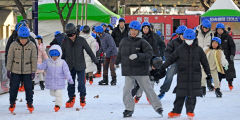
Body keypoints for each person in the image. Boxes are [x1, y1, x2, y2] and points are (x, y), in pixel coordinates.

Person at [158, 29, 211, 119]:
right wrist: (163, 67)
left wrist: (208, 73)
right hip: (182, 75)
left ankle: (190, 112)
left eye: (190, 39)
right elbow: (171, 59)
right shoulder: (180, 49)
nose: (188, 41)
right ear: (184, 39)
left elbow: (205, 62)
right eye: (187, 39)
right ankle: (176, 112)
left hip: (195, 76)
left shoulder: (198, 50)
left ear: (194, 39)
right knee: (180, 94)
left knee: (192, 95)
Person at [115, 20, 163, 118]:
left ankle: (158, 107)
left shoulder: (142, 42)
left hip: (141, 71)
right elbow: (120, 52)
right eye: (132, 29)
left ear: (138, 31)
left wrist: (138, 55)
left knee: (148, 89)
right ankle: (129, 109)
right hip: (129, 71)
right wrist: (116, 62)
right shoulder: (124, 41)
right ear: (129, 30)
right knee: (126, 91)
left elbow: (149, 54)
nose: (133, 32)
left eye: (135, 30)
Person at [61, 23, 98, 108]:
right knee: (70, 83)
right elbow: (62, 54)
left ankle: (82, 97)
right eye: (69, 35)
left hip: (80, 65)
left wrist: (95, 60)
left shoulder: (81, 40)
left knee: (81, 83)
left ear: (75, 32)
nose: (71, 36)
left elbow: (89, 51)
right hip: (70, 66)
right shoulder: (65, 41)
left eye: (72, 34)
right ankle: (71, 97)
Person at [7, 26, 38, 113]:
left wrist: (33, 71)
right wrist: (8, 69)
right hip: (15, 70)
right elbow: (10, 57)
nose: (23, 40)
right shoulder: (13, 45)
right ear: (18, 37)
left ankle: (29, 103)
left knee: (29, 89)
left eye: (25, 38)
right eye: (21, 38)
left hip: (27, 71)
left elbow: (34, 58)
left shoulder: (32, 45)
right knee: (13, 88)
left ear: (27, 37)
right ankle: (12, 103)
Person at [37, 45, 74, 112]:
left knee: (58, 93)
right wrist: (35, 65)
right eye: (53, 56)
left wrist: (69, 78)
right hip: (50, 82)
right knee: (52, 93)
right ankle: (57, 99)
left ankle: (58, 105)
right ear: (50, 55)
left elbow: (66, 71)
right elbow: (41, 67)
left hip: (59, 82)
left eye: (56, 56)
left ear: (59, 55)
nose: (54, 57)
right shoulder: (47, 61)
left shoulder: (62, 62)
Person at [5, 21, 38, 92]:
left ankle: (30, 98)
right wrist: (8, 66)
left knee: (28, 85)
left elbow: (35, 55)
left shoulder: (30, 39)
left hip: (27, 67)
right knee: (14, 84)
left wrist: (33, 69)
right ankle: (13, 98)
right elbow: (8, 53)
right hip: (15, 67)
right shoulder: (12, 38)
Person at [158, 25, 187, 99]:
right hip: (174, 62)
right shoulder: (173, 42)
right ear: (178, 35)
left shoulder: (189, 42)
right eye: (182, 35)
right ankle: (163, 91)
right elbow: (167, 52)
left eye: (185, 34)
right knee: (169, 75)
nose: (184, 36)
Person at [214, 23, 236, 91]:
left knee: (229, 71)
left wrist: (232, 55)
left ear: (223, 30)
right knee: (218, 71)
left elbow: (232, 46)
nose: (219, 31)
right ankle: (217, 84)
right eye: (218, 30)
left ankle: (230, 83)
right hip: (218, 57)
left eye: (221, 30)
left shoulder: (228, 37)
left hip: (227, 57)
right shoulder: (214, 37)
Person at [196, 19, 215, 94]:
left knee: (207, 69)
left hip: (207, 53)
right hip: (198, 53)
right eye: (204, 27)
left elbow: (212, 43)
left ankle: (209, 84)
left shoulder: (211, 34)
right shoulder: (196, 32)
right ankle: (201, 86)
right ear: (202, 26)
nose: (205, 29)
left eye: (207, 28)